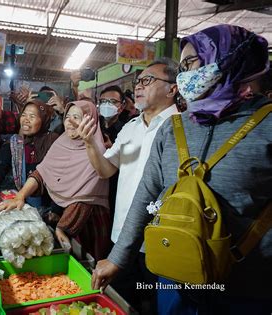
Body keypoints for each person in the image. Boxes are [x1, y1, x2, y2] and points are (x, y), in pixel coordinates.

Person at [91, 24, 271, 315]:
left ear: (229, 60)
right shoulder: (175, 127)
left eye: (190, 63)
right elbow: (146, 193)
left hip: (247, 286)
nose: (184, 75)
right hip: (175, 276)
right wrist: (118, 258)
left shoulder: (267, 125)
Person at [78, 58, 180, 313]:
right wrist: (91, 142)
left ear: (172, 89)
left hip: (163, 241)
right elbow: (105, 169)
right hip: (123, 237)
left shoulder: (182, 127)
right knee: (123, 302)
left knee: (162, 305)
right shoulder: (131, 128)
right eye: (138, 81)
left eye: (148, 80)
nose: (139, 86)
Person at [0, 100, 111, 261]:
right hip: (64, 221)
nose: (70, 122)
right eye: (68, 116)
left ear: (90, 120)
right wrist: (20, 196)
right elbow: (41, 173)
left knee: (88, 265)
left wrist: (63, 226)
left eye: (77, 117)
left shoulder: (97, 150)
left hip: (87, 222)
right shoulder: (62, 142)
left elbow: (86, 197)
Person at [0, 100, 59, 207]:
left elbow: (58, 176)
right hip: (19, 199)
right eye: (24, 115)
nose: (26, 120)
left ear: (44, 119)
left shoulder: (53, 141)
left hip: (49, 201)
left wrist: (55, 209)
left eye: (32, 116)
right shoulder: (14, 143)